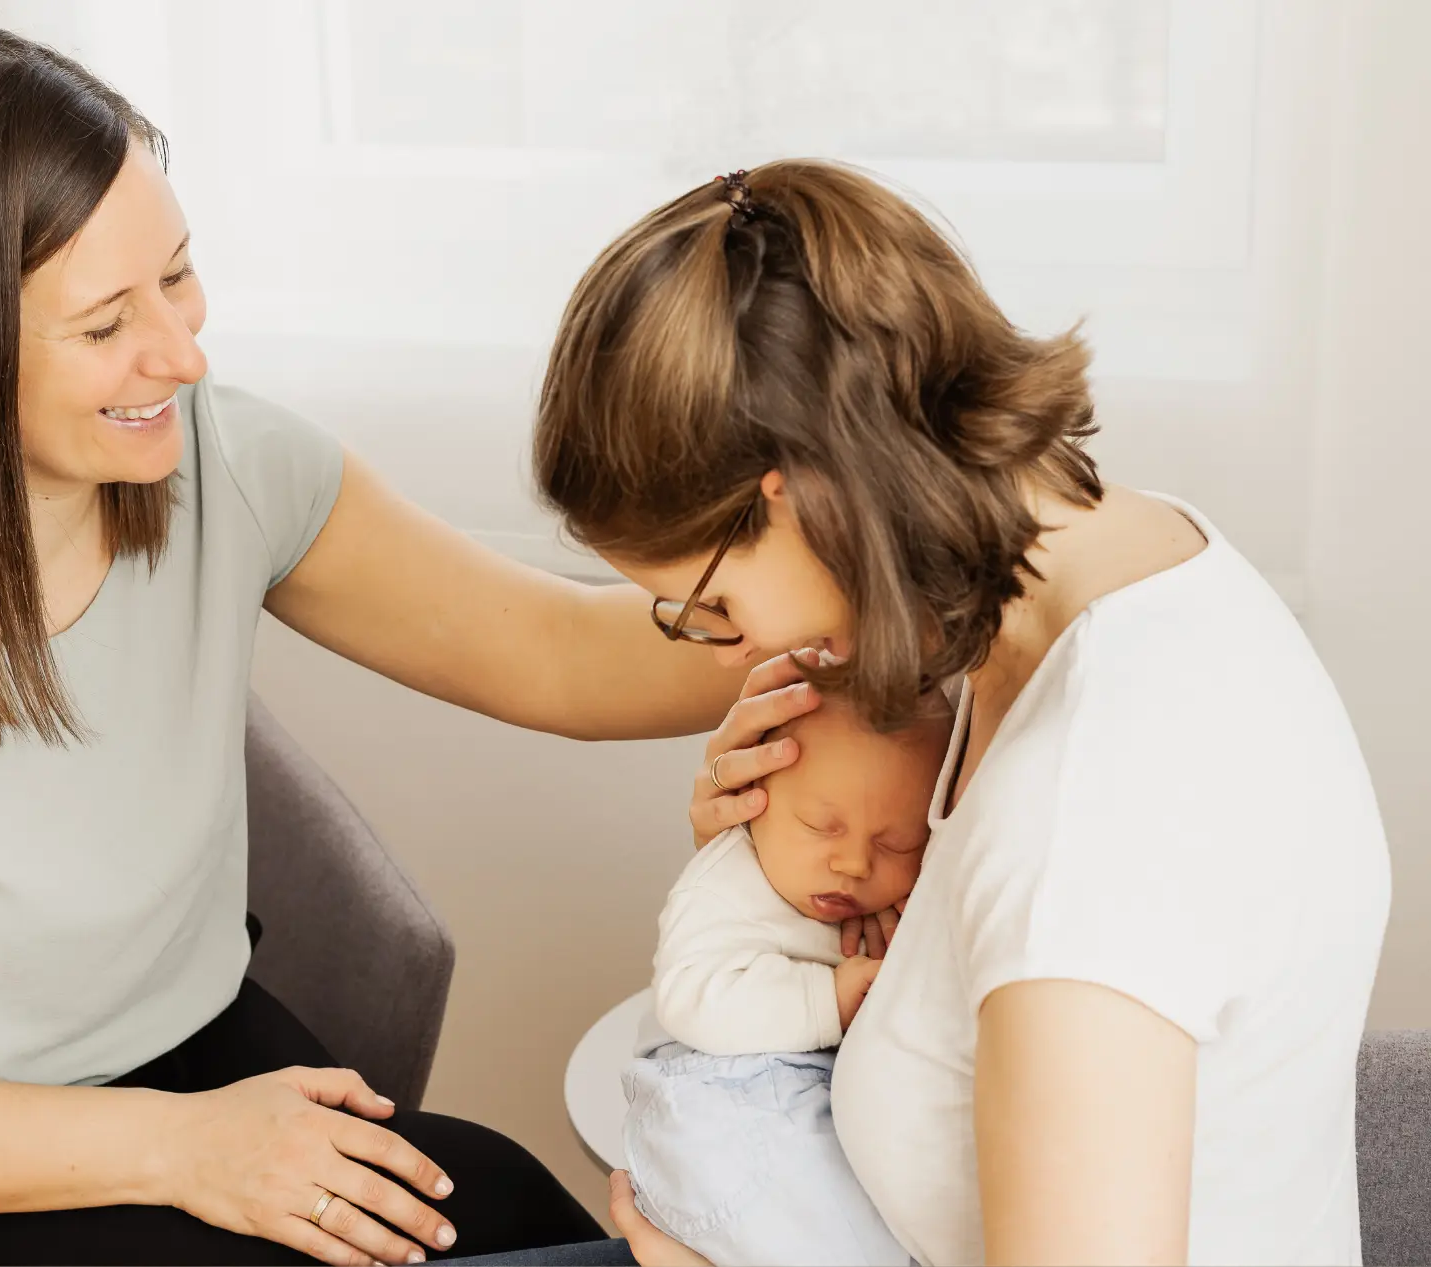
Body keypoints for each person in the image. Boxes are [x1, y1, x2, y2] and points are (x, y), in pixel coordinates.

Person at [0, 28, 764, 1267]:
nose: (181, 352)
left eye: (178, 275)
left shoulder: (218, 463)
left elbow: (555, 650)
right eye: (106, 323)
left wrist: (856, 609)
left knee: (517, 1209)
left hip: (186, 1061)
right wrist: (183, 1148)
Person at [524, 161, 1390, 1265]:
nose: (736, 645)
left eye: (713, 603)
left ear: (799, 490)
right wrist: (773, 866)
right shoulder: (1107, 568)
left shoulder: (1090, 821)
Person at [624, 696, 950, 1265]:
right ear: (753, 804)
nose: (852, 863)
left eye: (895, 843)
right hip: (722, 1089)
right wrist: (826, 999)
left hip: (800, 1084)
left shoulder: (872, 897)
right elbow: (693, 998)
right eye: (820, 826)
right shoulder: (723, 883)